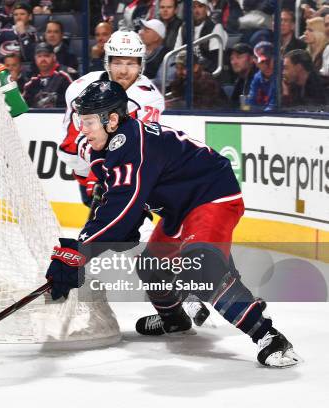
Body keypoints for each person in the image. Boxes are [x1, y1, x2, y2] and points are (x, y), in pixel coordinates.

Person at [44, 80, 301, 368]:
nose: (83, 129)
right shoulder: (102, 148)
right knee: (150, 266)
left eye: (89, 121)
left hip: (211, 196)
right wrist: (88, 243)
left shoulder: (130, 142)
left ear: (112, 119)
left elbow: (122, 207)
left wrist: (80, 252)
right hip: (179, 207)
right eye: (81, 121)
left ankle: (269, 336)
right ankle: (174, 320)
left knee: (200, 269)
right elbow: (109, 202)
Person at [58, 30, 164, 208]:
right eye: (118, 63)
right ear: (108, 62)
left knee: (131, 225)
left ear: (141, 65)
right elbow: (70, 144)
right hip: (87, 170)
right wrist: (94, 168)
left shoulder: (148, 98)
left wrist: (104, 171)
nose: (123, 71)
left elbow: (138, 146)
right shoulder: (81, 87)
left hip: (126, 175)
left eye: (130, 64)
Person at [174, 0, 228, 72]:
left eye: (200, 6)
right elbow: (176, 54)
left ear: (206, 8)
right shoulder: (184, 28)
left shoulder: (216, 27)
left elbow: (215, 61)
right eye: (193, 7)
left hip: (206, 73)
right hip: (185, 70)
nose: (196, 10)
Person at [22, 42, 73, 108]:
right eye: (39, 56)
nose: (43, 59)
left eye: (46, 56)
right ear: (35, 58)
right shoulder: (31, 83)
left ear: (54, 57)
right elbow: (22, 107)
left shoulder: (64, 77)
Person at [245, 41, 277, 111]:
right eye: (262, 62)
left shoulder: (281, 75)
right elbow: (250, 102)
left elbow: (274, 106)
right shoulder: (257, 77)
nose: (267, 66)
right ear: (255, 62)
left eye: (268, 60)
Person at [228, 43, 257, 109]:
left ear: (251, 59)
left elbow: (248, 109)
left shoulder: (257, 79)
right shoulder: (240, 80)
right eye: (231, 58)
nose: (234, 62)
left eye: (238, 57)